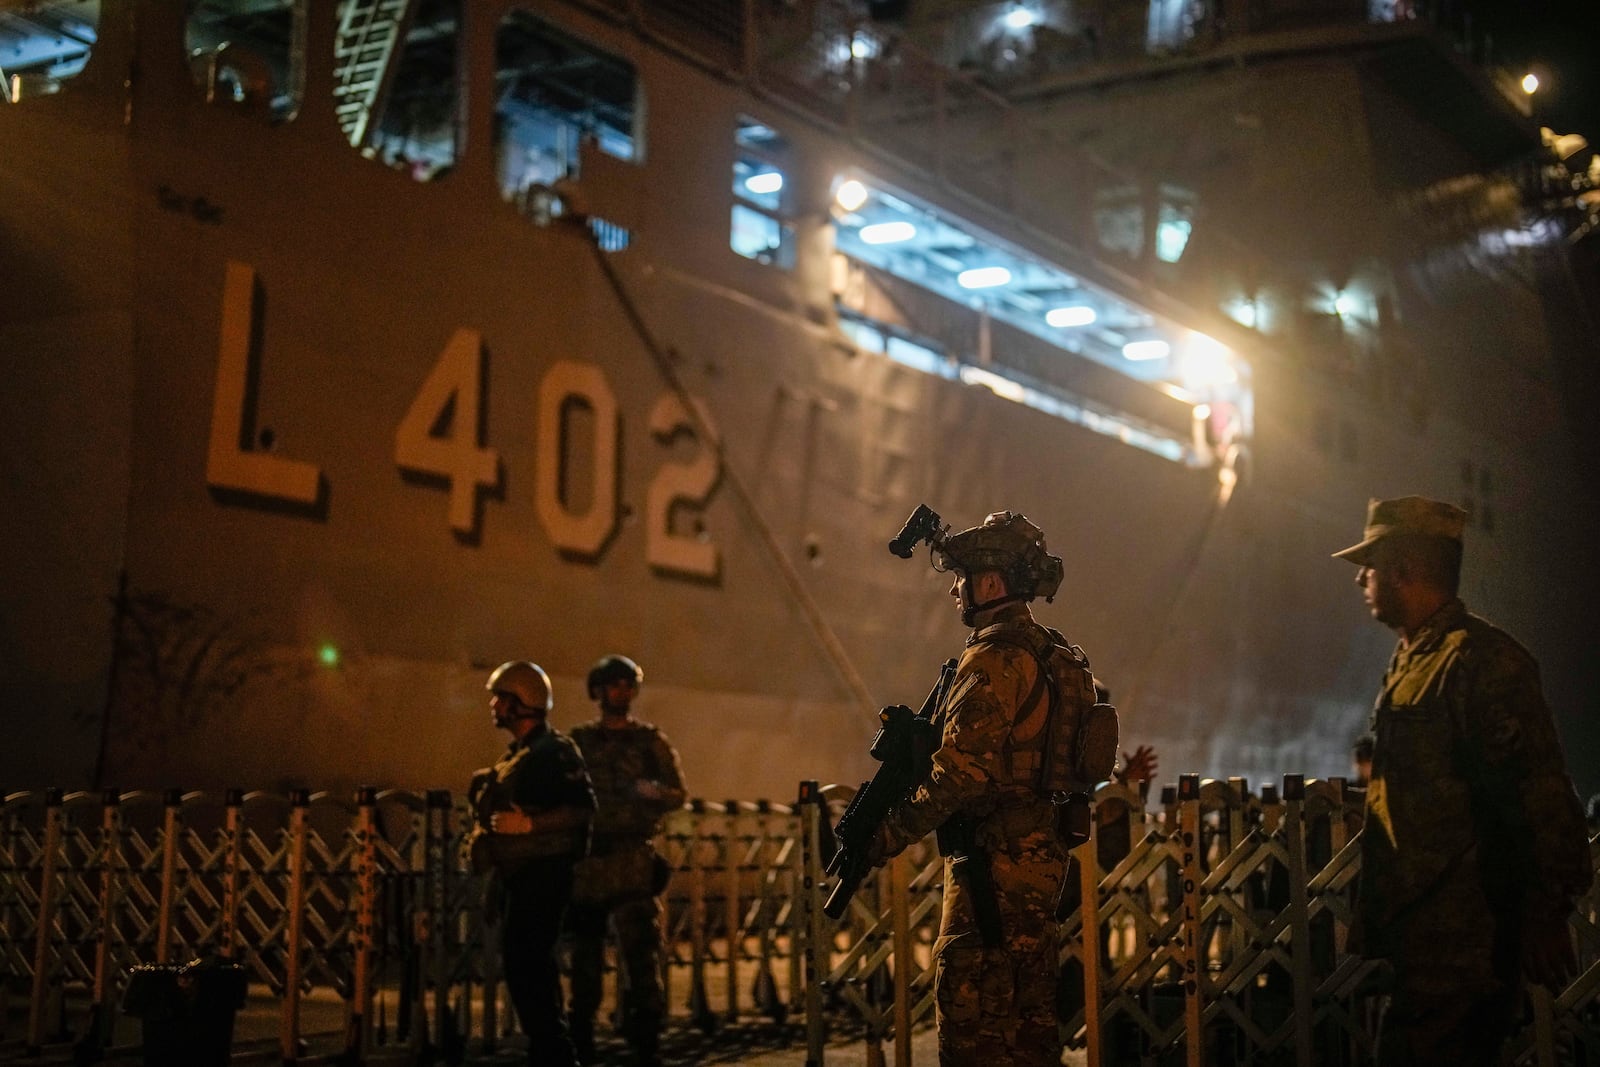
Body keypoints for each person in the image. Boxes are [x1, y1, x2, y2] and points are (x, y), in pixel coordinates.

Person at [1333, 496, 1592, 1066]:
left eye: (1369, 565)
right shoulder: (1416, 661)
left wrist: (1546, 913)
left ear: (1402, 570)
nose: (1361, 579)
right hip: (1423, 941)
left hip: (1464, 944)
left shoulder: (1481, 661)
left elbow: (1538, 789)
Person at [871, 511, 1118, 1067]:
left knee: (972, 1019)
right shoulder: (1062, 658)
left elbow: (961, 773)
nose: (957, 591)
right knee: (1030, 1024)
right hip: (1042, 858)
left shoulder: (993, 658)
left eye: (963, 579)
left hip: (992, 865)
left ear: (991, 584)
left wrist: (887, 833)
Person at [467, 661, 595, 1067]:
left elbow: (581, 810)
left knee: (529, 966)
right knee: (526, 967)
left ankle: (556, 1054)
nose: (493, 705)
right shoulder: (519, 754)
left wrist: (529, 824)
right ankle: (550, 1051)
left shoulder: (554, 752)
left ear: (522, 702)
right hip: (519, 878)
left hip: (545, 876)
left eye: (500, 698)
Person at [566, 654, 687, 1067]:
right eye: (613, 684)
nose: (621, 692)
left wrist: (654, 793)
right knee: (584, 958)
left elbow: (677, 793)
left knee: (640, 954)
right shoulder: (579, 742)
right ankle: (580, 1035)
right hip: (589, 863)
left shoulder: (649, 742)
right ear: (598, 691)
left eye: (627, 685)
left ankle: (646, 1037)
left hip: (633, 860)